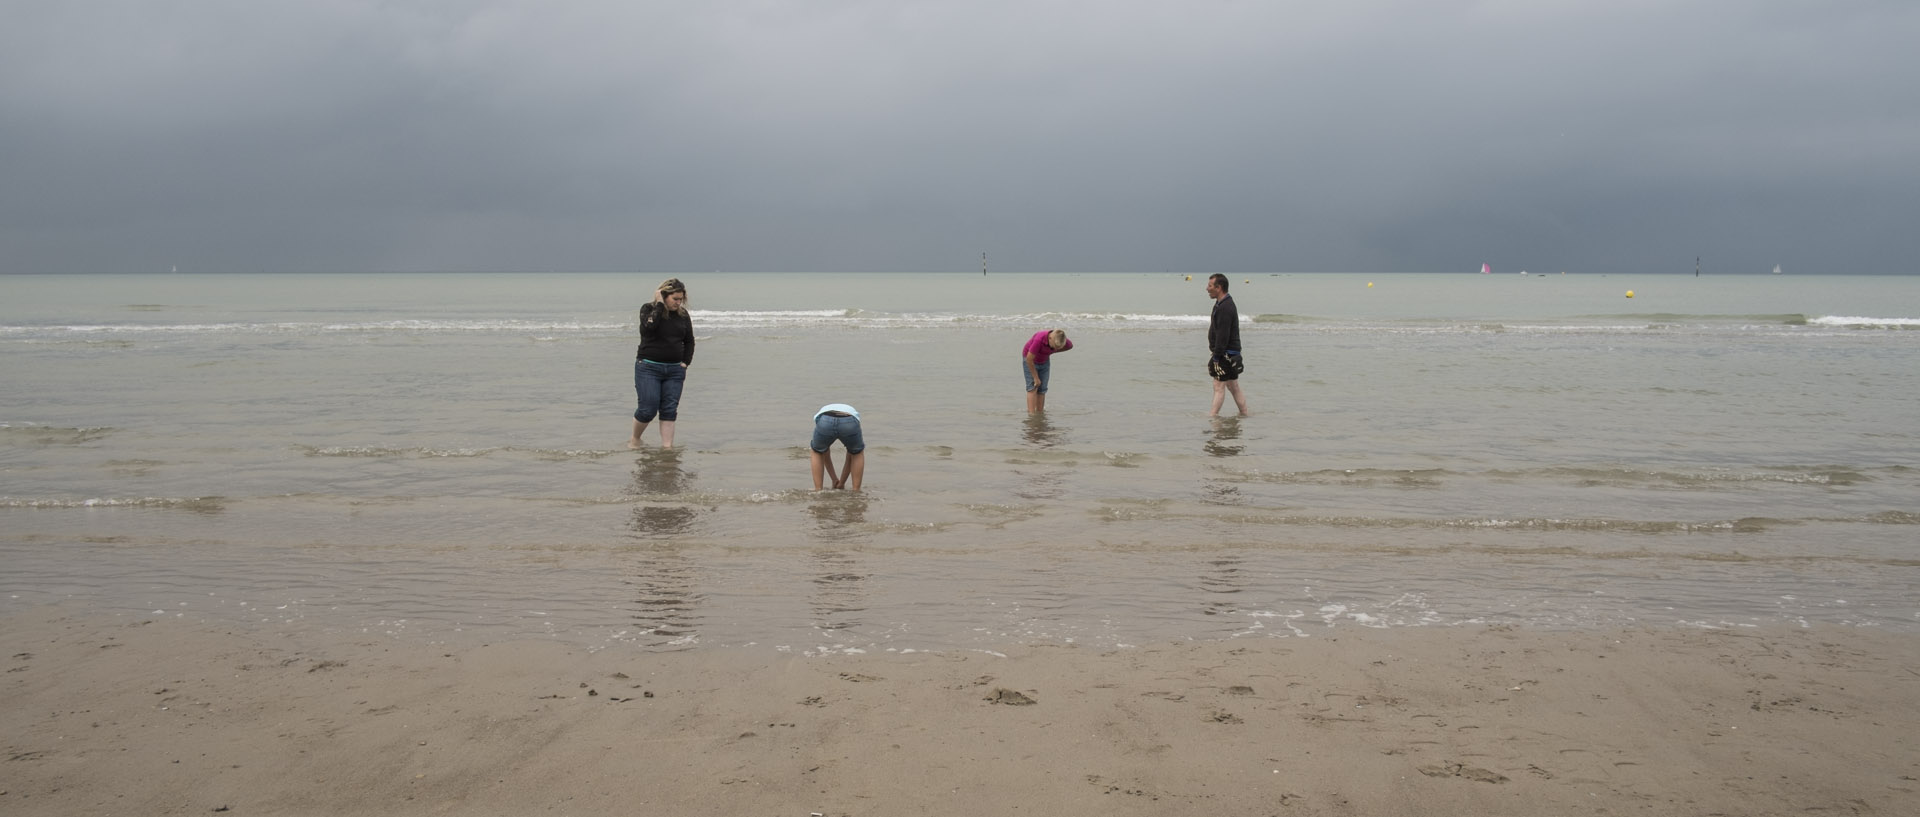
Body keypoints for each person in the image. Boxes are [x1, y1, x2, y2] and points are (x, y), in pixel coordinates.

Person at [629, 278, 694, 449]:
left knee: (669, 410)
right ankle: (635, 439)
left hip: (675, 370)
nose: (678, 302)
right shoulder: (648, 309)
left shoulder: (683, 315)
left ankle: (667, 448)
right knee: (647, 409)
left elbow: (689, 341)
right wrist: (658, 305)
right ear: (664, 296)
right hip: (648, 367)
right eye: (675, 299)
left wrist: (686, 362)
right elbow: (649, 328)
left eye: (681, 299)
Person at [1205, 273, 1250, 417]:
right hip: (1232, 353)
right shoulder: (1222, 304)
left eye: (1210, 286)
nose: (1207, 288)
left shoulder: (1225, 307)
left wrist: (1216, 357)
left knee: (1218, 386)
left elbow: (1223, 336)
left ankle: (1213, 417)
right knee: (1233, 386)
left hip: (1225, 354)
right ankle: (1244, 414)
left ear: (1219, 288)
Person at [809, 403, 865, 491]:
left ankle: (818, 490)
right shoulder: (850, 409)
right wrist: (840, 482)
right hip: (849, 419)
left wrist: (836, 480)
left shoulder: (824, 409)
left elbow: (824, 454)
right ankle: (856, 490)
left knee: (817, 452)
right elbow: (850, 458)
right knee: (856, 453)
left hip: (825, 419)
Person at [1020, 328, 1074, 412]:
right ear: (1050, 338)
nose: (1055, 348)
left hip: (1044, 361)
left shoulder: (1060, 337)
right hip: (1030, 360)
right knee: (1032, 388)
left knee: (1042, 389)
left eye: (1058, 347)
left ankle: (1040, 412)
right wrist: (1036, 378)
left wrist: (1051, 351)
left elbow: (1070, 346)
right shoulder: (1039, 339)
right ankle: (1032, 416)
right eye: (1054, 346)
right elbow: (1029, 360)